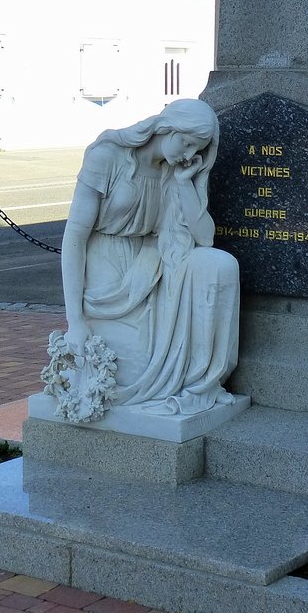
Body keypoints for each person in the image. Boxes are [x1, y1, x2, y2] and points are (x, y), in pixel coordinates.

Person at [57, 98, 239, 418]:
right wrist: (75, 321)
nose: (187, 154)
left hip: (154, 260)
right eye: (185, 143)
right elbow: (74, 237)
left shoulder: (175, 170)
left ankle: (202, 382)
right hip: (107, 265)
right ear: (167, 127)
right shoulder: (107, 156)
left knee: (220, 264)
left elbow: (204, 237)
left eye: (195, 148)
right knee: (135, 367)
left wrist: (185, 183)